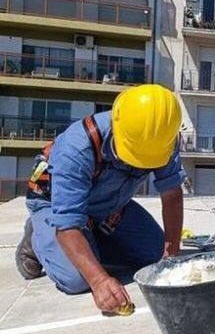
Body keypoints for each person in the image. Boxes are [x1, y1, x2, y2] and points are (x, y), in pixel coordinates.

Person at [15, 84, 185, 313]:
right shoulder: (76, 147)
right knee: (77, 279)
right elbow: (68, 223)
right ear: (117, 127)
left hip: (110, 206)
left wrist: (171, 253)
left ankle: (90, 239)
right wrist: (99, 280)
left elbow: (172, 194)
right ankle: (37, 234)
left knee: (157, 255)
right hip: (56, 206)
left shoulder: (162, 136)